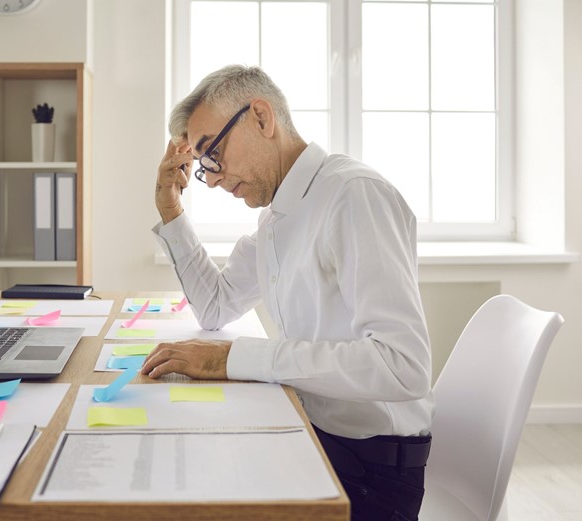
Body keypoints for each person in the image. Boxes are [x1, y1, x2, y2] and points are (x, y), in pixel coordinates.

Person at [142, 64, 434, 521]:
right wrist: (170, 207)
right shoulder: (280, 216)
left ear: (261, 117)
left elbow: (403, 367)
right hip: (317, 434)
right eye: (203, 167)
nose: (213, 179)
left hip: (371, 473)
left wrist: (234, 359)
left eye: (212, 154)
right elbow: (216, 306)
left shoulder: (353, 195)